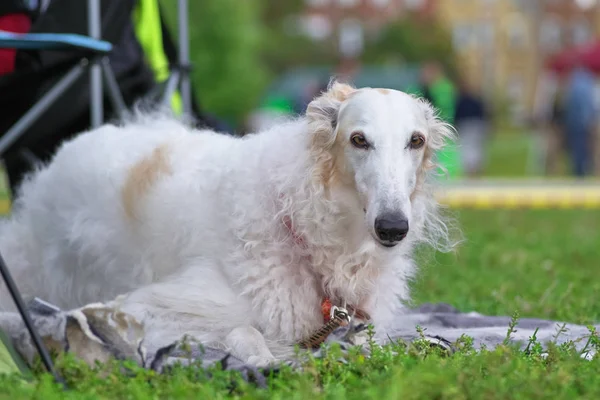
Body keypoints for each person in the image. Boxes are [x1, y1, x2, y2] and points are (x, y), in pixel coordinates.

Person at [563, 65, 597, 177]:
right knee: (583, 147)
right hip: (583, 122)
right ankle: (581, 170)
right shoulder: (587, 83)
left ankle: (579, 170)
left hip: (577, 122)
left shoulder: (577, 84)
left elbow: (571, 104)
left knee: (579, 147)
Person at [453, 78, 490, 177]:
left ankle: (471, 172)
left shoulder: (460, 101)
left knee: (468, 149)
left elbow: (457, 115)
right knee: (475, 149)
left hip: (466, 126)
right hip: (475, 126)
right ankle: (475, 172)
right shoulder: (476, 100)